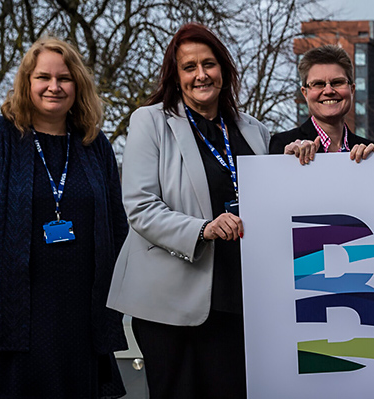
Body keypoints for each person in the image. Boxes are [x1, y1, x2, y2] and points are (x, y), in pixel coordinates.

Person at [0, 37, 128, 398]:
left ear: (77, 85)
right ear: (26, 82)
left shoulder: (94, 144)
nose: (54, 86)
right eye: (43, 77)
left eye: (64, 78)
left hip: (81, 308)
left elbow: (116, 222)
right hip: (13, 305)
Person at [106, 23, 272, 398]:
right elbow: (140, 206)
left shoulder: (253, 130)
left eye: (209, 64)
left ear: (224, 71)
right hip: (169, 303)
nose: (201, 74)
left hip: (238, 299)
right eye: (189, 67)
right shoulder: (149, 121)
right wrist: (203, 229)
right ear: (175, 76)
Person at [270, 45, 374, 163]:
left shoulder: (371, 153)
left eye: (337, 82)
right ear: (305, 93)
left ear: (352, 90)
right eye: (318, 84)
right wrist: (286, 164)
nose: (328, 91)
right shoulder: (283, 146)